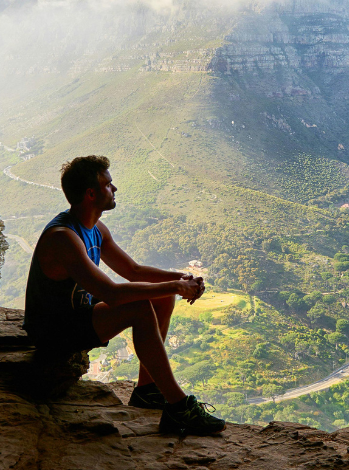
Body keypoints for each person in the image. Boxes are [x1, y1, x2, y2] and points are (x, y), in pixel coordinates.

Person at [23, 155, 226, 436]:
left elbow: (133, 270)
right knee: (140, 308)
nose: (114, 188)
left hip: (78, 315)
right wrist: (177, 288)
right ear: (91, 194)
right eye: (108, 184)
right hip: (54, 330)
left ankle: (147, 391)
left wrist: (179, 279)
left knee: (160, 297)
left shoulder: (95, 228)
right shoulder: (64, 237)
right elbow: (112, 293)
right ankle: (179, 408)